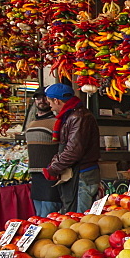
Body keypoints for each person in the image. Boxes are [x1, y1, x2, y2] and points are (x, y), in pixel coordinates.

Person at [43, 83, 101, 213]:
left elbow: (73, 150)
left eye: (50, 102)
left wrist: (54, 169)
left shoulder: (77, 117)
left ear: (56, 100)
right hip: (80, 173)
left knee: (79, 218)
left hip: (82, 175)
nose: (50, 105)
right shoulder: (73, 115)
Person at [24, 88, 61, 217]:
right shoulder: (31, 124)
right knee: (38, 216)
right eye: (38, 98)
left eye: (45, 98)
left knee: (50, 215)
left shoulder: (57, 122)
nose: (42, 101)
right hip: (35, 176)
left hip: (50, 175)